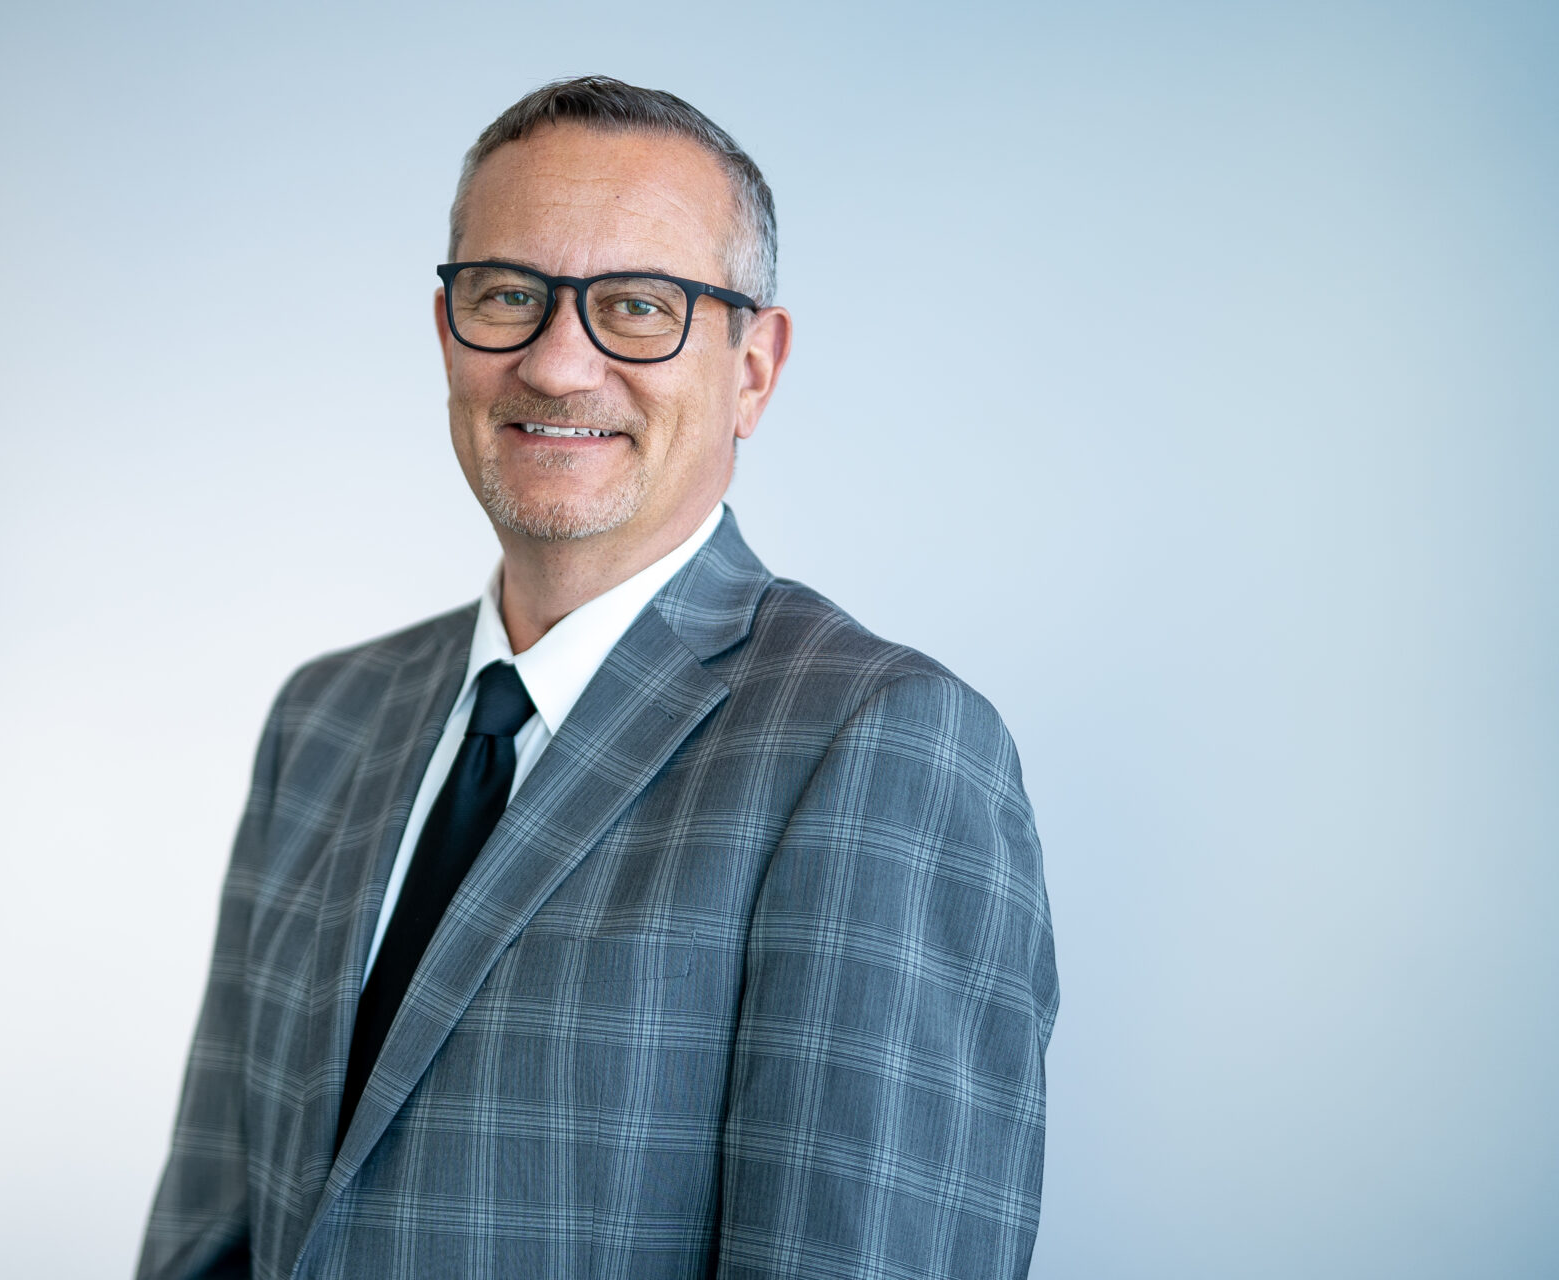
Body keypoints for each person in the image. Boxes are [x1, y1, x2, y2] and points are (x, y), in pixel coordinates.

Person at [137, 75, 1058, 1280]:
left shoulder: (881, 746)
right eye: (510, 294)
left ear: (754, 368)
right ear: (447, 330)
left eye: (638, 305)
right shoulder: (324, 720)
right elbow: (211, 1241)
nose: (559, 365)